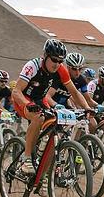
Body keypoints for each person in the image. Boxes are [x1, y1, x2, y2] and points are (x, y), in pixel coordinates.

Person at [12, 39, 94, 176]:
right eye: (54, 60)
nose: (57, 64)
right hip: (24, 99)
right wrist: (27, 104)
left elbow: (74, 92)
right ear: (45, 56)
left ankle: (43, 173)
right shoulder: (32, 66)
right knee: (38, 117)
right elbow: (16, 91)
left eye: (60, 61)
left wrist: (87, 108)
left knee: (54, 131)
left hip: (40, 100)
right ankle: (26, 159)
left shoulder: (61, 69)